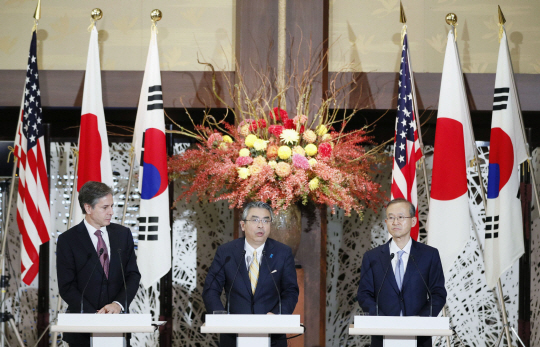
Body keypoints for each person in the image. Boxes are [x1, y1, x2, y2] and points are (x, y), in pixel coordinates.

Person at [202, 201, 299, 347]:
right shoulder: (226, 252)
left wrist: (278, 315)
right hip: (232, 335)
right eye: (255, 220)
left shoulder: (282, 253)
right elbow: (211, 289)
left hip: (272, 335)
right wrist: (221, 317)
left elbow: (290, 291)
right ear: (243, 225)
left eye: (266, 220)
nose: (261, 225)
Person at [56, 181, 141, 347]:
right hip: (82, 331)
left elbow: (133, 275)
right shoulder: (68, 240)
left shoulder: (122, 235)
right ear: (88, 208)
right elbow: (67, 286)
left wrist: (118, 305)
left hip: (118, 326)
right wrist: (93, 315)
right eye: (105, 207)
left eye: (112, 206)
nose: (111, 212)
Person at [357, 198, 447, 347]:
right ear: (386, 222)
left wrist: (421, 320)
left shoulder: (429, 255)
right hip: (382, 335)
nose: (395, 222)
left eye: (400, 217)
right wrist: (380, 318)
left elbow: (438, 293)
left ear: (413, 221)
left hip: (419, 337)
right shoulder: (372, 257)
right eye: (391, 217)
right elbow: (364, 294)